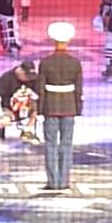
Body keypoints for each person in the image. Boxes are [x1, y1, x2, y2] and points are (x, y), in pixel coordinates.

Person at [38, 22, 84, 191]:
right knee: (66, 144)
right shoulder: (75, 63)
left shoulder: (45, 62)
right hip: (69, 107)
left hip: (50, 106)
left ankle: (53, 182)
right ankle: (64, 181)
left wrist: (40, 110)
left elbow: (40, 89)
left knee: (50, 144)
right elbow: (79, 89)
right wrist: (78, 109)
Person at [0, 60, 39, 142]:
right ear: (20, 71)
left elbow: (38, 96)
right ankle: (1, 130)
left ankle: (27, 131)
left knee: (36, 109)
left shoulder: (33, 78)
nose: (28, 78)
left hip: (25, 107)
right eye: (26, 75)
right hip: (7, 109)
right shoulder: (6, 78)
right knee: (5, 117)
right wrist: (0, 115)